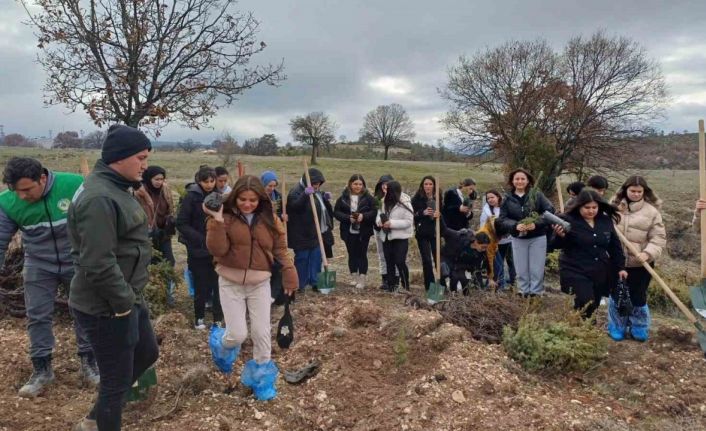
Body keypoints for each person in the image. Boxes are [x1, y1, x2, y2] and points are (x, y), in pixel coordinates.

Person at [69, 125, 159, 431]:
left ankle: (96, 418)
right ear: (119, 158)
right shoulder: (99, 198)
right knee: (116, 381)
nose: (145, 165)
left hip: (126, 297)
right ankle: (99, 422)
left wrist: (130, 300)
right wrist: (123, 305)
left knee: (146, 353)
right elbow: (97, 261)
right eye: (141, 157)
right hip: (106, 306)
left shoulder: (115, 188)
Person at [0, 157, 97, 398]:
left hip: (76, 260)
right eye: (16, 191)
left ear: (42, 178)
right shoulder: (7, 202)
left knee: (85, 311)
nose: (21, 196)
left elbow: (98, 220)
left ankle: (89, 364)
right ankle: (42, 370)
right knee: (37, 315)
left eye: (26, 190)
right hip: (38, 263)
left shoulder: (75, 185)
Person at [204, 175, 298, 401]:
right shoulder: (224, 217)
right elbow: (216, 250)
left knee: (262, 333)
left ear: (260, 200)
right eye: (243, 199)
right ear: (235, 197)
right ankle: (220, 343)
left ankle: (262, 384)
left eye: (253, 200)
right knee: (237, 334)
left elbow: (280, 249)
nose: (247, 204)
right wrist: (216, 220)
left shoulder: (270, 219)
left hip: (260, 283)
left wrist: (289, 271)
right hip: (230, 282)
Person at [551, 189, 627, 319]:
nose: (591, 211)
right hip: (574, 268)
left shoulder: (605, 221)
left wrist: (620, 267)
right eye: (587, 207)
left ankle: (581, 328)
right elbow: (553, 245)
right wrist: (559, 236)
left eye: (594, 207)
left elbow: (615, 246)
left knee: (594, 304)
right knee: (587, 301)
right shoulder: (568, 221)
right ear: (579, 206)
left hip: (599, 269)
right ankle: (581, 327)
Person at [609, 175, 666, 341]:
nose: (635, 194)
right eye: (632, 190)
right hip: (616, 262)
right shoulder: (613, 208)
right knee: (616, 294)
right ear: (625, 190)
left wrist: (647, 253)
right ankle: (617, 325)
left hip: (641, 264)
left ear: (644, 192)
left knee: (638, 296)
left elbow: (658, 238)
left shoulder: (652, 212)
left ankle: (639, 327)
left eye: (639, 191)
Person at [177, 165, 224, 329]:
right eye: (206, 181)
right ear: (199, 180)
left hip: (216, 250)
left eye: (212, 181)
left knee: (219, 285)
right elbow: (182, 223)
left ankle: (218, 318)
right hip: (198, 249)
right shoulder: (191, 197)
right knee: (200, 285)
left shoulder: (218, 196)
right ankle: (199, 318)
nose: (210, 184)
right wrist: (201, 239)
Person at [498, 168, 555, 297]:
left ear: (528, 180)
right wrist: (515, 226)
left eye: (523, 178)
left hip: (537, 237)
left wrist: (535, 224)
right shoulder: (507, 199)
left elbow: (549, 212)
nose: (520, 181)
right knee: (521, 268)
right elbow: (502, 219)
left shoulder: (537, 195)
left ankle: (535, 293)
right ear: (512, 181)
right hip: (518, 238)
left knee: (536, 268)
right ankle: (523, 292)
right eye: (517, 179)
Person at [286, 168, 334, 292]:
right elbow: (294, 206)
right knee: (302, 258)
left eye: (319, 184)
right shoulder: (295, 192)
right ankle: (300, 284)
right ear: (308, 182)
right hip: (301, 233)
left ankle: (316, 283)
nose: (317, 186)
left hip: (315, 232)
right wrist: (305, 194)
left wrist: (324, 197)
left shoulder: (316, 191)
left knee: (316, 256)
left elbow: (320, 206)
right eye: (315, 184)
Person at [135, 165, 176, 305]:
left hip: (164, 234)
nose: (159, 182)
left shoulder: (166, 191)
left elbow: (170, 209)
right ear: (148, 178)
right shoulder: (139, 192)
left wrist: (169, 222)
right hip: (146, 235)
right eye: (156, 179)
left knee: (169, 262)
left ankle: (169, 295)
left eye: (162, 179)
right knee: (149, 263)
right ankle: (151, 295)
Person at [333, 174, 377, 289]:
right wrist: (348, 218)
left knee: (362, 253)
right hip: (348, 230)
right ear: (350, 184)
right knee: (351, 253)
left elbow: (374, 212)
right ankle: (354, 277)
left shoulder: (368, 198)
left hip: (364, 231)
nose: (358, 186)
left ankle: (362, 279)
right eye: (355, 184)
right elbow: (336, 212)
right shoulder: (343, 198)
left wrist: (364, 216)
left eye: (360, 184)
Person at [376, 181, 414, 292]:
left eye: (389, 190)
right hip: (386, 236)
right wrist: (380, 222)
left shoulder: (405, 203)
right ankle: (391, 285)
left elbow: (408, 222)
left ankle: (405, 285)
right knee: (389, 261)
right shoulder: (384, 201)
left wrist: (391, 223)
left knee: (400, 261)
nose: (386, 192)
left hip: (400, 238)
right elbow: (379, 215)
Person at [410, 176, 442, 291]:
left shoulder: (438, 197)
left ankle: (441, 285)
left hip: (435, 232)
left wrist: (439, 215)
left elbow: (443, 213)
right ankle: (430, 287)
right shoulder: (416, 199)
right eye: (425, 184)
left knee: (438, 258)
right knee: (427, 260)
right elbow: (412, 215)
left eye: (430, 184)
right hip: (422, 233)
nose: (428, 186)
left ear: (434, 185)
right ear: (422, 186)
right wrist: (422, 213)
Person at [480, 189, 514, 289]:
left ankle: (514, 284)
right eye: (488, 198)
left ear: (498, 197)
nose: (490, 200)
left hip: (509, 240)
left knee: (512, 263)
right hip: (494, 243)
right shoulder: (486, 211)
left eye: (492, 197)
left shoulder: (506, 208)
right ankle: (500, 285)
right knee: (498, 265)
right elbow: (483, 226)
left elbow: (512, 222)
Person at [441, 229, 491, 294]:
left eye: (486, 247)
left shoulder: (480, 253)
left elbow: (477, 269)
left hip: (461, 266)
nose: (484, 249)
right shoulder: (460, 239)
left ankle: (458, 297)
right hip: (447, 257)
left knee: (463, 279)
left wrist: (481, 288)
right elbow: (445, 230)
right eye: (483, 247)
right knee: (443, 273)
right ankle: (435, 298)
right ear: (476, 242)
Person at [373, 174, 396, 290]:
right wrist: (378, 222)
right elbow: (375, 213)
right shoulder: (377, 199)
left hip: (392, 230)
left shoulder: (397, 198)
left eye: (388, 184)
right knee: (382, 254)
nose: (385, 187)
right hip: (379, 230)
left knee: (393, 255)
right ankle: (385, 278)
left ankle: (395, 279)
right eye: (383, 184)